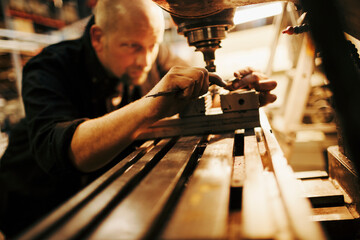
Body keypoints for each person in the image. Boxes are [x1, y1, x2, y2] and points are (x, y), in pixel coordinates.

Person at [0, 0, 277, 236]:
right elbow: (70, 153)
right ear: (98, 38)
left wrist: (237, 95)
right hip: (38, 209)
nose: (144, 60)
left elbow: (188, 96)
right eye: (132, 46)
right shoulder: (49, 67)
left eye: (151, 45)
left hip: (101, 197)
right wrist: (152, 106)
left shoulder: (152, 58)